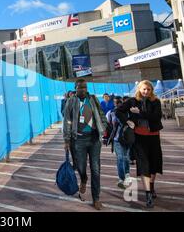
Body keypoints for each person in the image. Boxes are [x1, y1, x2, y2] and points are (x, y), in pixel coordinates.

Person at [115, 80, 164, 209]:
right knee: (144, 165)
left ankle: (151, 186)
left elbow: (156, 117)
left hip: (154, 137)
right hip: (139, 138)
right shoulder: (132, 101)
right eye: (144, 89)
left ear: (151, 90)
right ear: (139, 89)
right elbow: (118, 111)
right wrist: (128, 121)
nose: (146, 91)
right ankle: (148, 193)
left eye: (148, 89)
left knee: (154, 165)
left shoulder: (156, 102)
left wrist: (139, 113)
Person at [63, 79, 108, 211]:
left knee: (95, 169)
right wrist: (66, 140)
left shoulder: (93, 99)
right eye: (80, 87)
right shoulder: (71, 101)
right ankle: (83, 178)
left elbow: (101, 115)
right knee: (80, 166)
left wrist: (103, 127)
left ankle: (96, 198)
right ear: (75, 88)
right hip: (79, 140)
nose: (83, 89)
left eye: (85, 87)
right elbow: (67, 121)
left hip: (94, 139)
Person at [106, 96, 132, 190]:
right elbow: (108, 125)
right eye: (116, 102)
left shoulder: (128, 112)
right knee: (120, 158)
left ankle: (127, 174)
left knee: (126, 158)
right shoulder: (111, 113)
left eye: (119, 102)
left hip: (127, 138)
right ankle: (121, 179)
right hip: (117, 139)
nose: (117, 104)